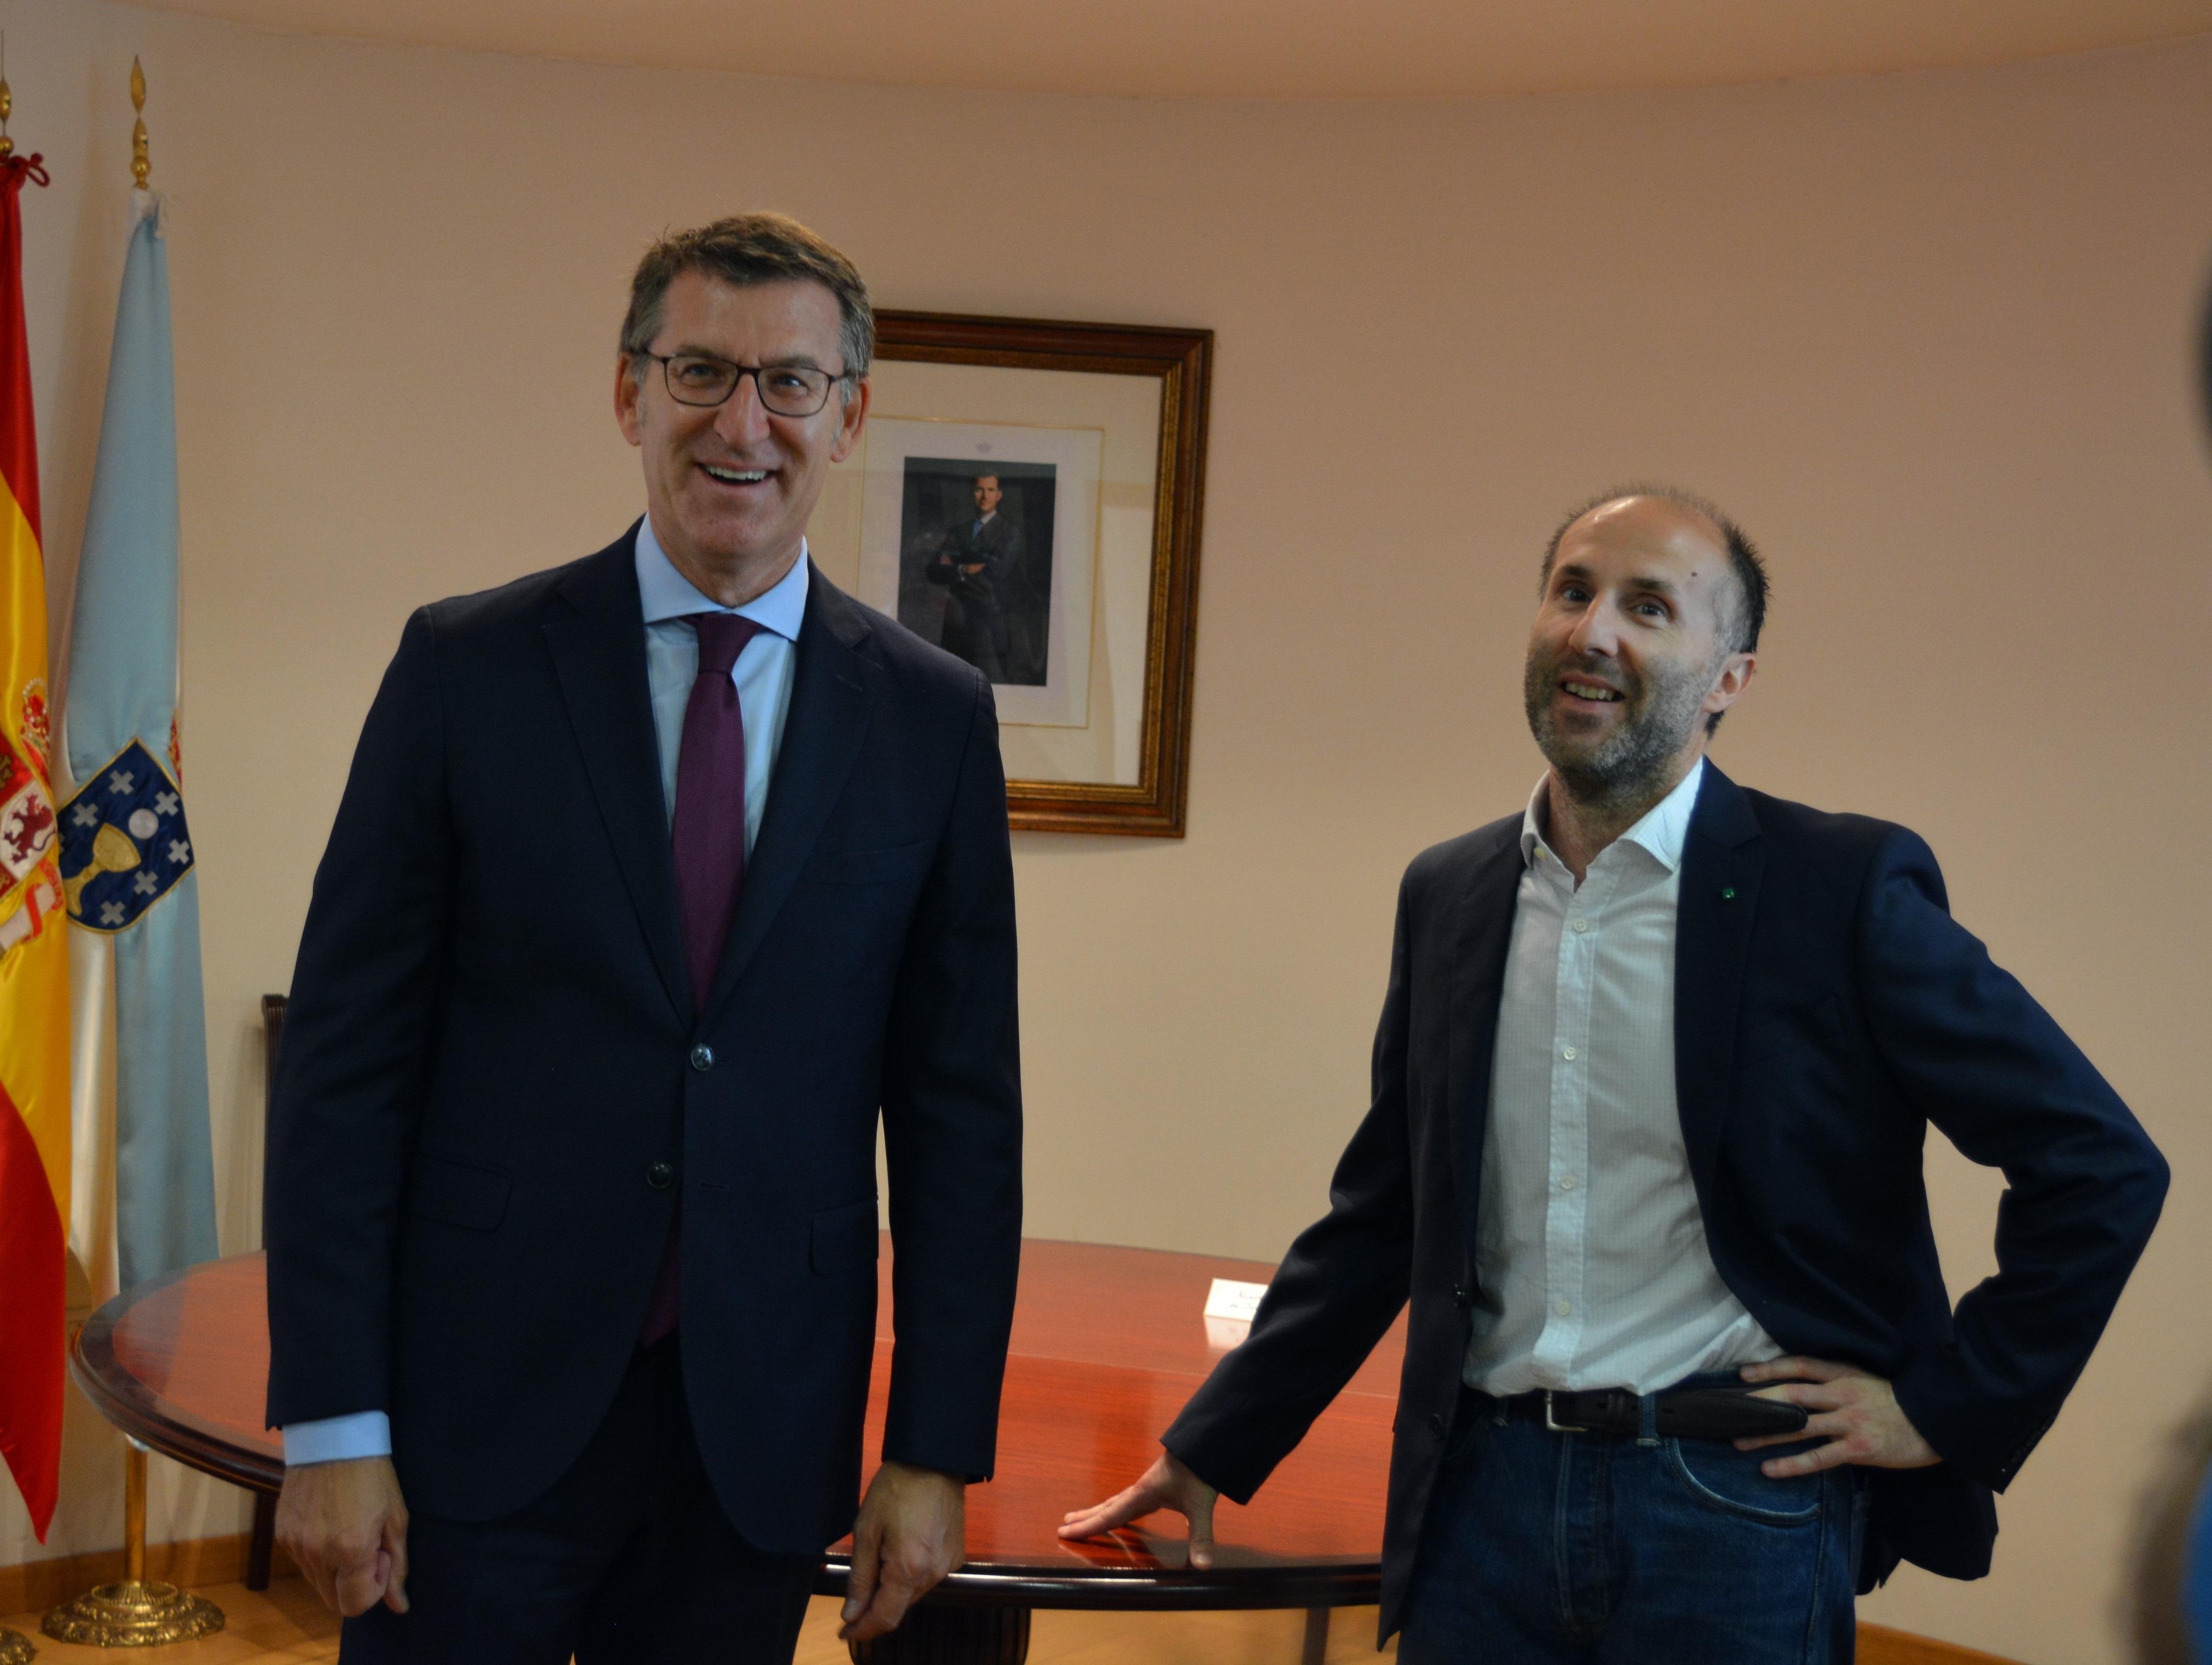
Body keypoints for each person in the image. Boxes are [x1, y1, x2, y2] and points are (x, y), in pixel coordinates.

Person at [1062, 488, 2168, 1663]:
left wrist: (1947, 1403)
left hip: (1735, 1507)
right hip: (1480, 1501)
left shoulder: (1835, 891)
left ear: (1729, 677)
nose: (1595, 631)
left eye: (1650, 605)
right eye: (1573, 590)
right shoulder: (1452, 894)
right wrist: (1212, 1444)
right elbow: (1387, 1211)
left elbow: (2099, 1162)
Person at [264, 213, 1023, 1665]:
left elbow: (960, 1115)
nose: (744, 423)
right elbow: (347, 1068)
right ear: (629, 394)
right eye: (700, 372)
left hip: (757, 1435)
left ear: (849, 415)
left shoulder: (931, 720)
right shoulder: (468, 669)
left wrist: (934, 1449)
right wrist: (336, 1419)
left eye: (790, 383)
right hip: (470, 1417)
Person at [924, 473, 1023, 683]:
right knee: (953, 681)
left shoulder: (1010, 533)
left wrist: (955, 565)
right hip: (957, 619)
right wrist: (965, 569)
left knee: (992, 682)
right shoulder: (959, 531)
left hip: (991, 618)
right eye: (979, 490)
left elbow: (997, 571)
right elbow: (933, 570)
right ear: (972, 494)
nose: (984, 496)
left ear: (999, 495)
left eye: (990, 490)